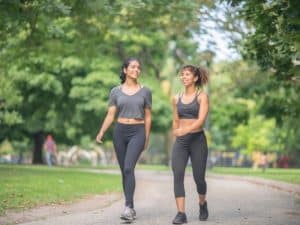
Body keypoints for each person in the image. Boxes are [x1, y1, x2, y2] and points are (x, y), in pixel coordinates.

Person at [96, 58, 152, 222]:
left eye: (139, 67)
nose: (136, 69)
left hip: (138, 131)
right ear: (125, 70)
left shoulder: (145, 91)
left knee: (128, 167)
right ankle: (131, 207)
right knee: (124, 171)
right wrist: (101, 132)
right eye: (133, 67)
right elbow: (111, 114)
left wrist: (146, 138)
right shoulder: (115, 91)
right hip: (120, 132)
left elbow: (148, 117)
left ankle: (128, 207)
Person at [171, 65, 209, 224]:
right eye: (182, 75)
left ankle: (202, 203)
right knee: (178, 175)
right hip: (181, 142)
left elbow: (201, 121)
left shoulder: (202, 97)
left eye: (187, 75)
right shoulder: (175, 98)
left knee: (198, 178)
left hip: (197, 140)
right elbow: (175, 120)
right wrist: (176, 133)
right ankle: (181, 213)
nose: (184, 77)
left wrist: (184, 130)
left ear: (195, 78)